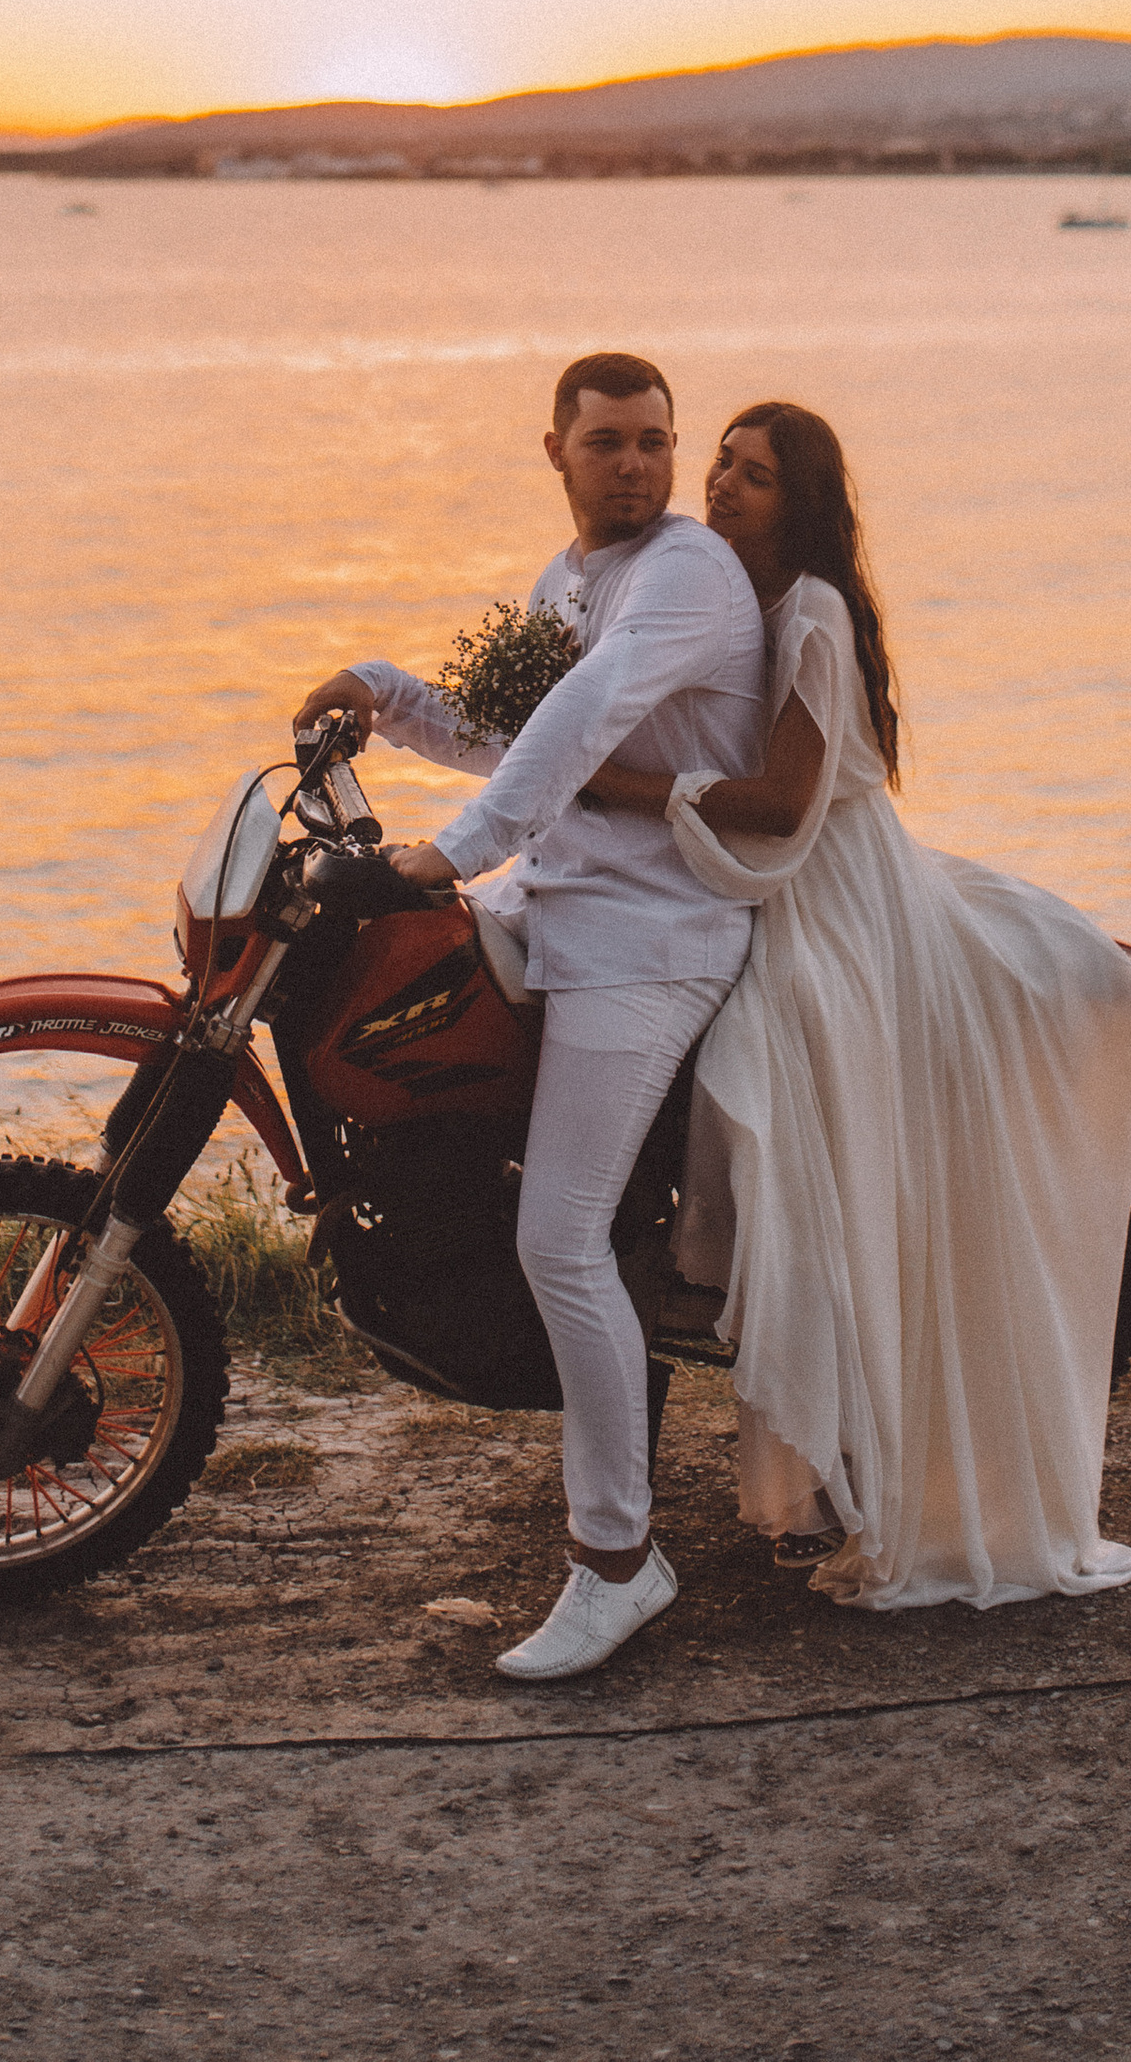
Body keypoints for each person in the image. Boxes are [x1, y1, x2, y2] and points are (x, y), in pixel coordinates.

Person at [579, 401, 1131, 1610]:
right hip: (789, 885)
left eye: (754, 477)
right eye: (722, 466)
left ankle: (794, 1387)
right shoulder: (726, 595)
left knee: (761, 1084)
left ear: (804, 503)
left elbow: (787, 801)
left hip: (832, 893)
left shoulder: (816, 613)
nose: (723, 489)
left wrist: (614, 787)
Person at [293, 353, 765, 1681]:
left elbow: (587, 710)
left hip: (646, 938)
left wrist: (456, 850)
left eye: (656, 441)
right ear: (552, 445)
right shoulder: (570, 577)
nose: (638, 463)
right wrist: (377, 692)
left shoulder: (684, 573)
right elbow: (519, 733)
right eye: (608, 440)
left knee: (557, 1233)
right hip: (553, 910)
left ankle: (619, 1560)